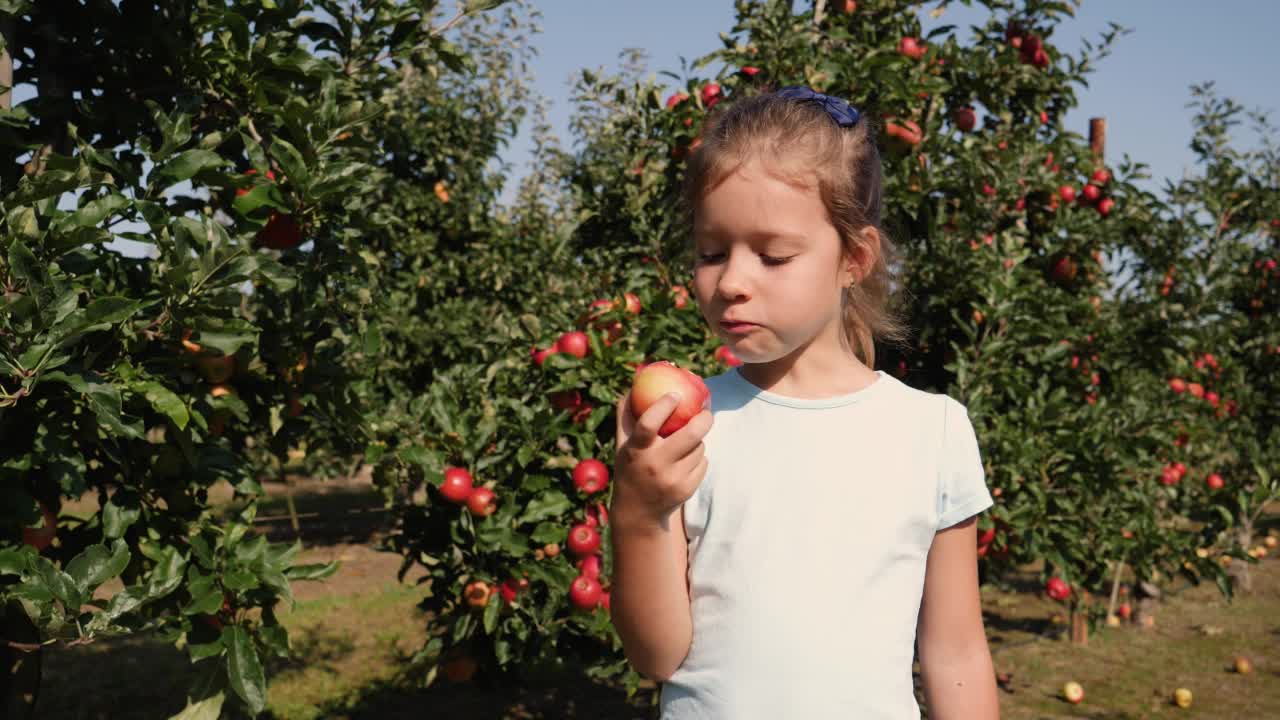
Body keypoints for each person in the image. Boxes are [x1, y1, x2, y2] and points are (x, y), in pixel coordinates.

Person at [608, 86, 1000, 719]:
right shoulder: (690, 433)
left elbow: (955, 652)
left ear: (854, 259)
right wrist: (637, 514)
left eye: (773, 255)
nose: (731, 281)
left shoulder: (933, 432)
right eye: (711, 252)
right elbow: (656, 656)